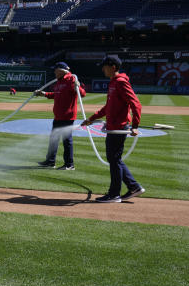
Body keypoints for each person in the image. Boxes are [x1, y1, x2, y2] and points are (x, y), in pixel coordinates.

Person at [80, 55, 144, 203]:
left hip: (119, 127)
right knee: (115, 159)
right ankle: (134, 187)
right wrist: (91, 119)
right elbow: (108, 107)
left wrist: (135, 126)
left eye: (105, 66)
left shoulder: (121, 83)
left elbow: (136, 105)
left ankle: (114, 194)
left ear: (113, 67)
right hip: (113, 127)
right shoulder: (113, 83)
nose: (103, 69)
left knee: (114, 159)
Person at [36, 62, 86, 170]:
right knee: (53, 139)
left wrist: (78, 86)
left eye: (55, 70)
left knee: (67, 140)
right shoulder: (59, 82)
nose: (54, 72)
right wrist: (44, 94)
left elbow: (82, 94)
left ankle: (69, 164)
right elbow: (56, 94)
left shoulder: (71, 79)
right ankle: (50, 161)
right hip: (58, 116)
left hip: (67, 116)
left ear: (61, 70)